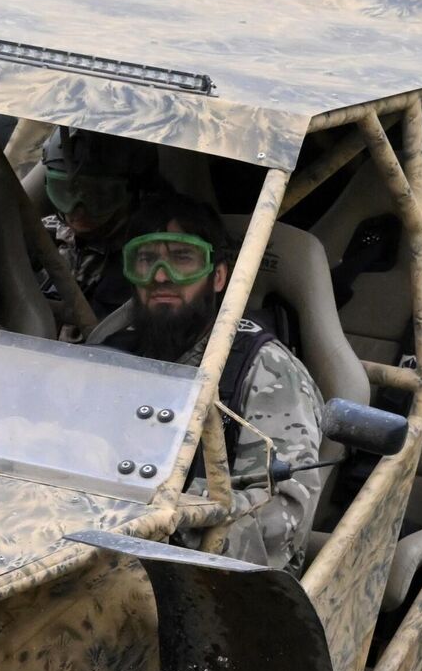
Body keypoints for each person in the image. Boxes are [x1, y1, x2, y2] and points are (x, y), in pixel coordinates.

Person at [101, 193, 326, 574]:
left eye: (181, 258)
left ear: (218, 276)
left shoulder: (263, 368)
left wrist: (171, 520)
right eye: (146, 259)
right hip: (103, 557)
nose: (160, 276)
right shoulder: (115, 355)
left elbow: (283, 513)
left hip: (214, 582)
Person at [40, 127, 160, 318]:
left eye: (98, 196)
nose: (77, 212)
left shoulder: (149, 261)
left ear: (134, 193)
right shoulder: (41, 232)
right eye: (65, 193)